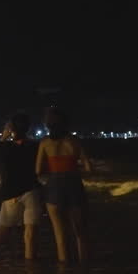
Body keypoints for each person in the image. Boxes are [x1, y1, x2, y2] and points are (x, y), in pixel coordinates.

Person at [35, 107, 92, 263]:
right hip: (74, 185)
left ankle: (65, 273)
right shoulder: (74, 141)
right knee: (80, 232)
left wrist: (54, 167)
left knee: (60, 235)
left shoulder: (45, 143)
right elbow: (89, 167)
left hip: (54, 187)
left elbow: (38, 170)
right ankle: (84, 269)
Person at [0, 113, 42, 260]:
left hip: (11, 193)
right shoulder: (35, 146)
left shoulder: (5, 147)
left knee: (2, 232)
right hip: (32, 190)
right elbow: (41, 169)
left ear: (11, 128)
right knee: (30, 234)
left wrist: (3, 138)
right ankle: (30, 269)